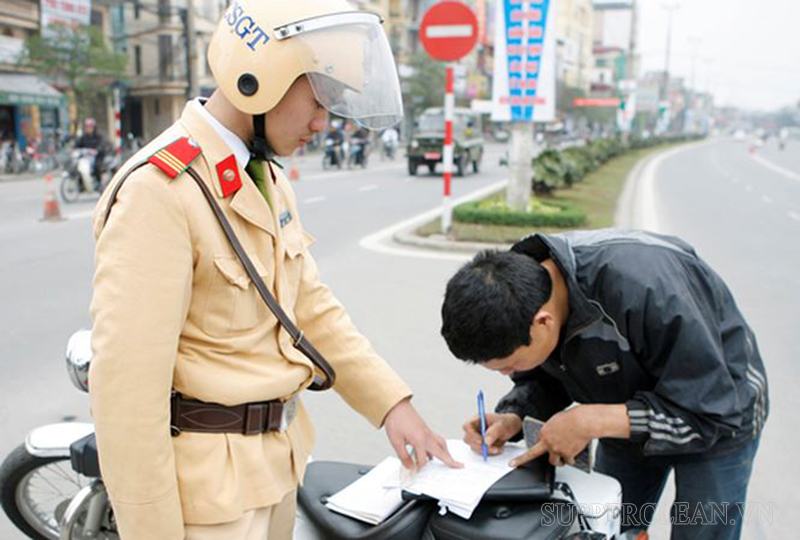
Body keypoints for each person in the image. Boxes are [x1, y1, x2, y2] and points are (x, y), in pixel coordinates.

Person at [89, 1, 459, 538]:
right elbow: (127, 394)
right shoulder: (161, 191)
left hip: (277, 473)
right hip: (207, 503)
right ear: (258, 80)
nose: (321, 123)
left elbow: (308, 306)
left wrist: (392, 405)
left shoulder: (266, 175)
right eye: (317, 100)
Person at [440, 230, 768, 539]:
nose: (507, 373)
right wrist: (514, 414)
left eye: (510, 365)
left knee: (702, 527)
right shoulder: (524, 293)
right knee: (607, 521)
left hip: (718, 412)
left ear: (543, 322)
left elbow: (708, 414)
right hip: (624, 404)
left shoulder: (647, 289)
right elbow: (548, 373)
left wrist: (590, 420)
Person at [74, 117, 107, 190]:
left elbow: (102, 145)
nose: (89, 128)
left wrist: (97, 150)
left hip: (97, 156)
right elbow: (77, 145)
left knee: (97, 166)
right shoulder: (83, 137)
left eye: (90, 127)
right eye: (87, 127)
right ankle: (81, 185)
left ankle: (99, 184)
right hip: (86, 158)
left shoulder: (98, 137)